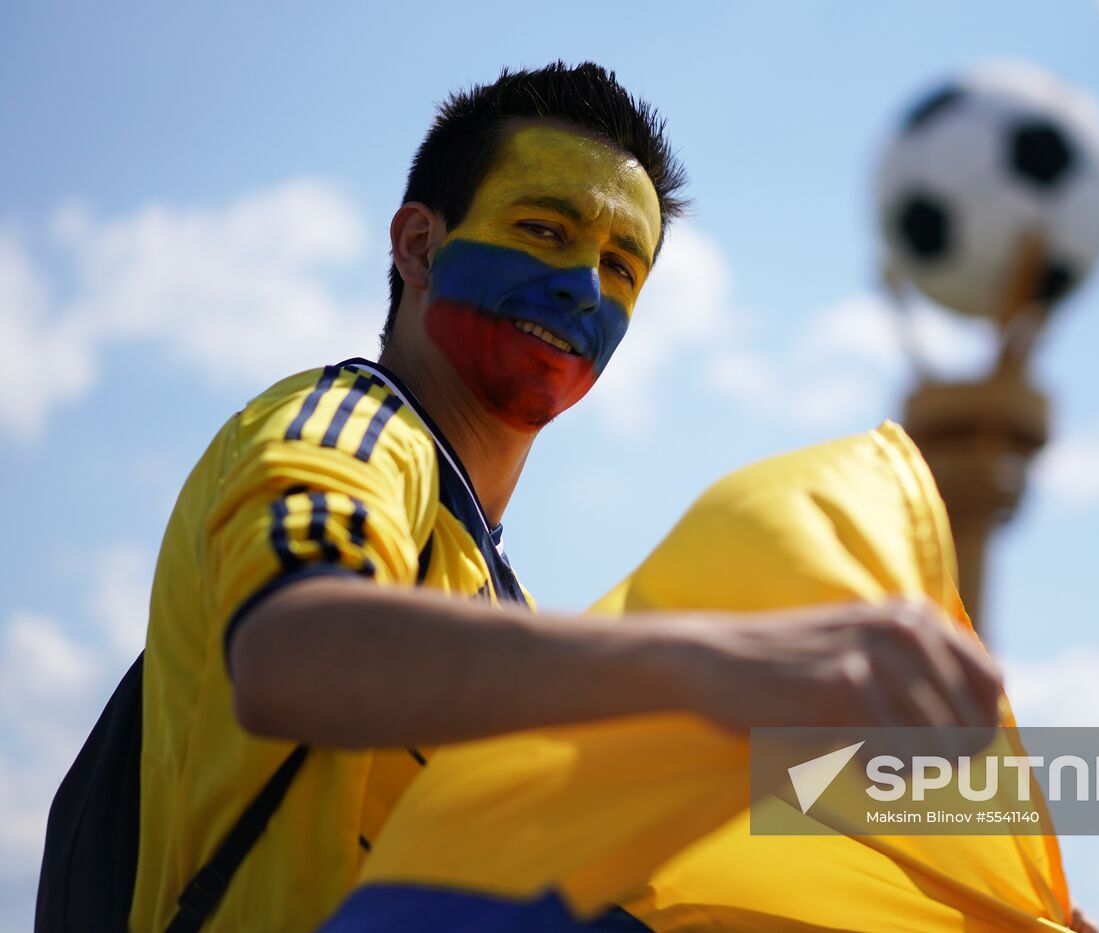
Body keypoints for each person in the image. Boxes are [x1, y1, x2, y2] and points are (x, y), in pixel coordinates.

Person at [127, 61, 1003, 932]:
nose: (584, 287)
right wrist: (713, 662)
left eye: (622, 266)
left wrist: (966, 885)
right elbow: (292, 654)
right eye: (545, 230)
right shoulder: (344, 431)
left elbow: (688, 820)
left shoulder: (495, 592)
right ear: (419, 247)